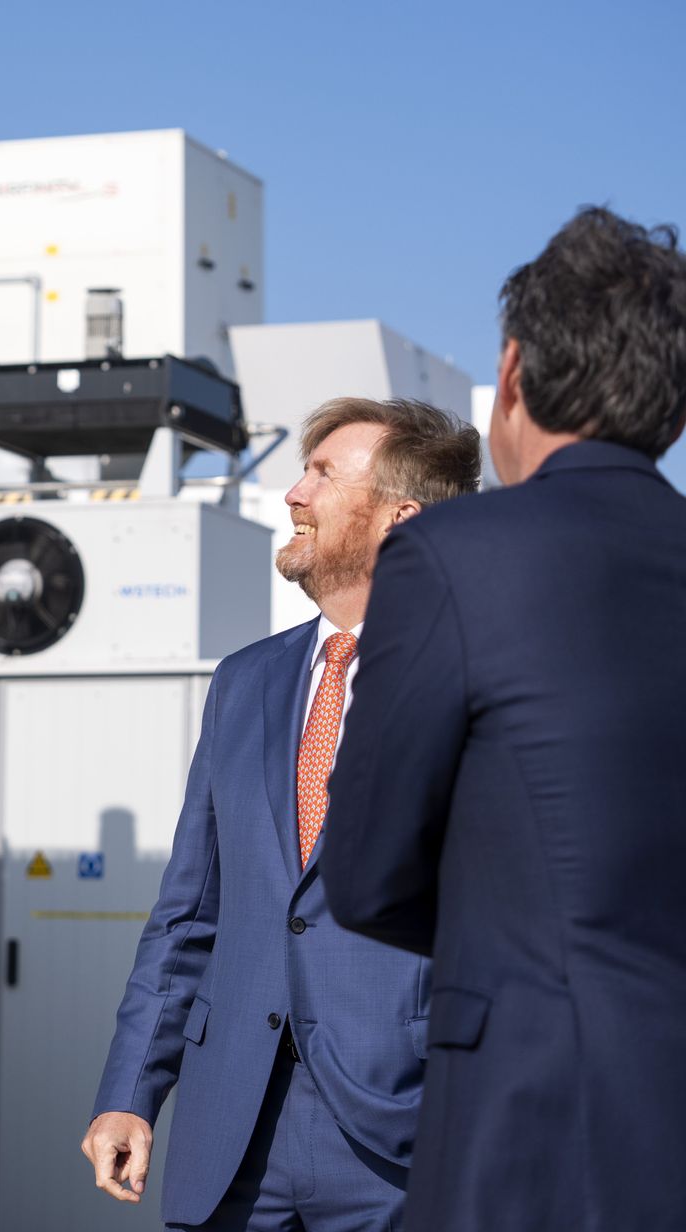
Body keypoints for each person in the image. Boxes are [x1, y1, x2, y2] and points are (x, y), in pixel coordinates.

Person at [324, 207, 686, 1231]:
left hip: (526, 1128)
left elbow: (366, 869)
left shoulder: (454, 555)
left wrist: (511, 936)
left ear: (515, 372)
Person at [83, 397, 481, 1230]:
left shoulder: (477, 678)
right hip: (232, 1136)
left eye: (323, 475)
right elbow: (188, 914)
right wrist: (130, 1092)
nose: (292, 494)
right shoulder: (244, 682)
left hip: (400, 1137)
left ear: (399, 518)